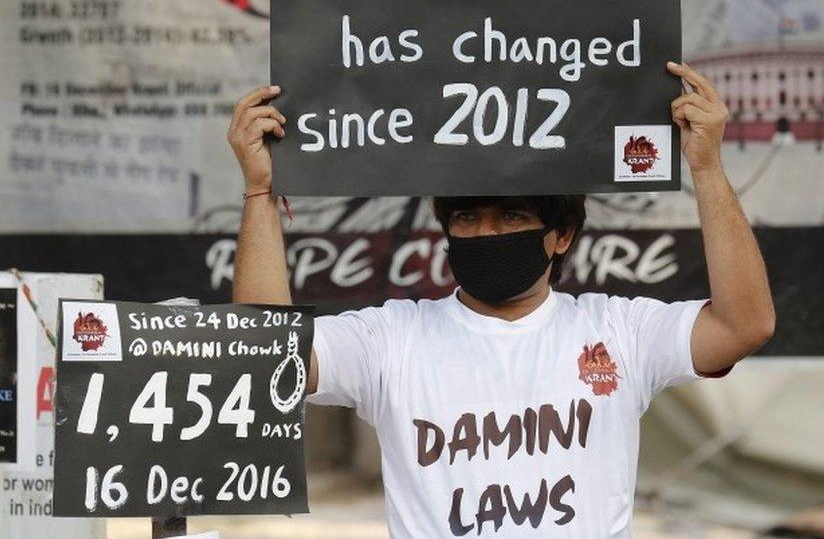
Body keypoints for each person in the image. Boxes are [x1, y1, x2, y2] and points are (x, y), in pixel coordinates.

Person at [227, 60, 775, 538]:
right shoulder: (394, 338)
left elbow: (743, 324)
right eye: (467, 217)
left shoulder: (617, 330)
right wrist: (258, 193)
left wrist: (705, 167)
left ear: (561, 236)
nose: (486, 233)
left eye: (512, 215)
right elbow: (267, 354)